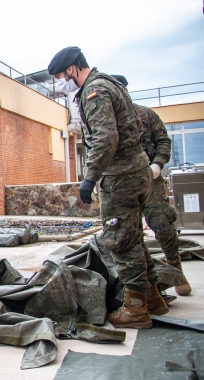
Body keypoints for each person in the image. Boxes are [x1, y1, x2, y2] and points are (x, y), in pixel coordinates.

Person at [47, 47, 167, 329]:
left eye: (61, 76)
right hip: (135, 171)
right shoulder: (108, 83)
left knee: (120, 241)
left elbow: (105, 137)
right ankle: (152, 298)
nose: (61, 83)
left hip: (121, 177)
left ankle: (136, 309)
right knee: (133, 236)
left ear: (73, 68)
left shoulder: (95, 91)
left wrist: (90, 177)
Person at [111, 74, 191, 296]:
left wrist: (157, 164)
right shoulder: (107, 119)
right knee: (130, 234)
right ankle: (149, 286)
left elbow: (163, 141)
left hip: (150, 180)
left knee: (162, 224)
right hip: (122, 184)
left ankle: (175, 265)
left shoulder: (146, 114)